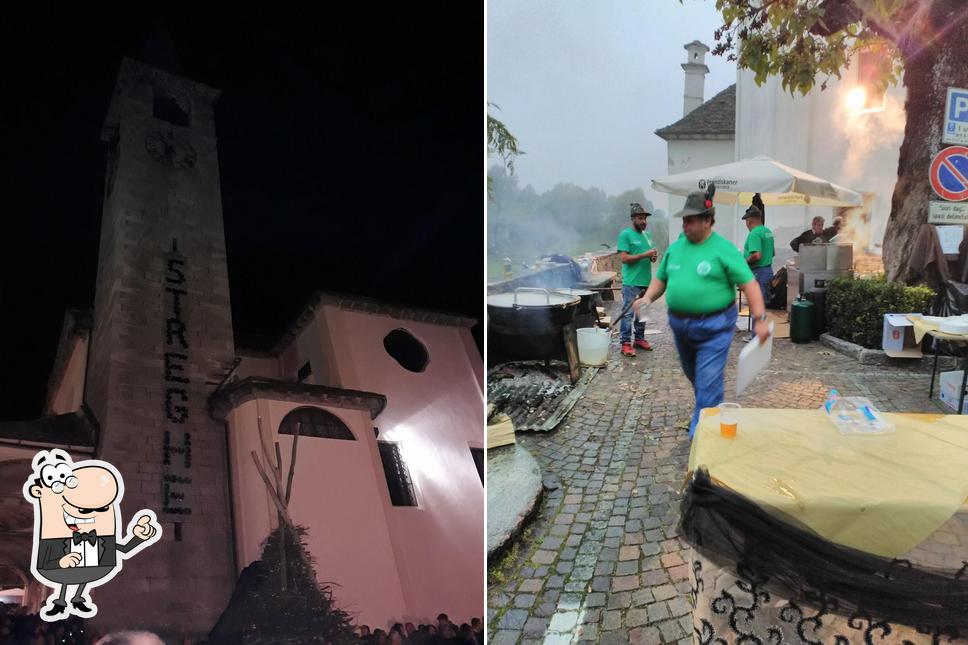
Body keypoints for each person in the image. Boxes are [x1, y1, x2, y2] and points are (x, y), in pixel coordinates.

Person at [632, 185, 770, 437]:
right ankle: (708, 408)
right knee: (696, 376)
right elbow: (661, 278)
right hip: (680, 327)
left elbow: (749, 284)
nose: (685, 225)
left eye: (691, 220)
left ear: (708, 220)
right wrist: (648, 298)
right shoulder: (676, 248)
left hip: (714, 327)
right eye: (684, 220)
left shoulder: (723, 249)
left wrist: (760, 318)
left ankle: (701, 439)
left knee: (707, 384)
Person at [617, 202, 658, 357]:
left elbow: (650, 257)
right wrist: (645, 255)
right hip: (631, 282)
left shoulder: (647, 235)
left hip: (645, 281)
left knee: (643, 311)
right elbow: (624, 258)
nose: (644, 221)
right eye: (640, 218)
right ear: (633, 219)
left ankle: (639, 339)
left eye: (645, 218)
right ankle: (625, 343)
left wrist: (653, 257)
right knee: (627, 314)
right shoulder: (625, 235)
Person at [742, 205, 775, 320]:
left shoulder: (754, 234)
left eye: (746, 221)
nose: (746, 224)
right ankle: (760, 336)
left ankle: (757, 337)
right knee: (762, 307)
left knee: (757, 308)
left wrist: (744, 262)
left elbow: (757, 255)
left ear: (750, 220)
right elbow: (772, 253)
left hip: (758, 273)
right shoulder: (768, 232)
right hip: (767, 272)